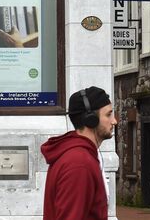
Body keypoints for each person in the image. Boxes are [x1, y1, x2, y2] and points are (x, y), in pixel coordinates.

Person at [41, 86, 117, 220]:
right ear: (91, 120)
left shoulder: (78, 156)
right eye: (108, 114)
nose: (114, 121)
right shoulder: (79, 163)